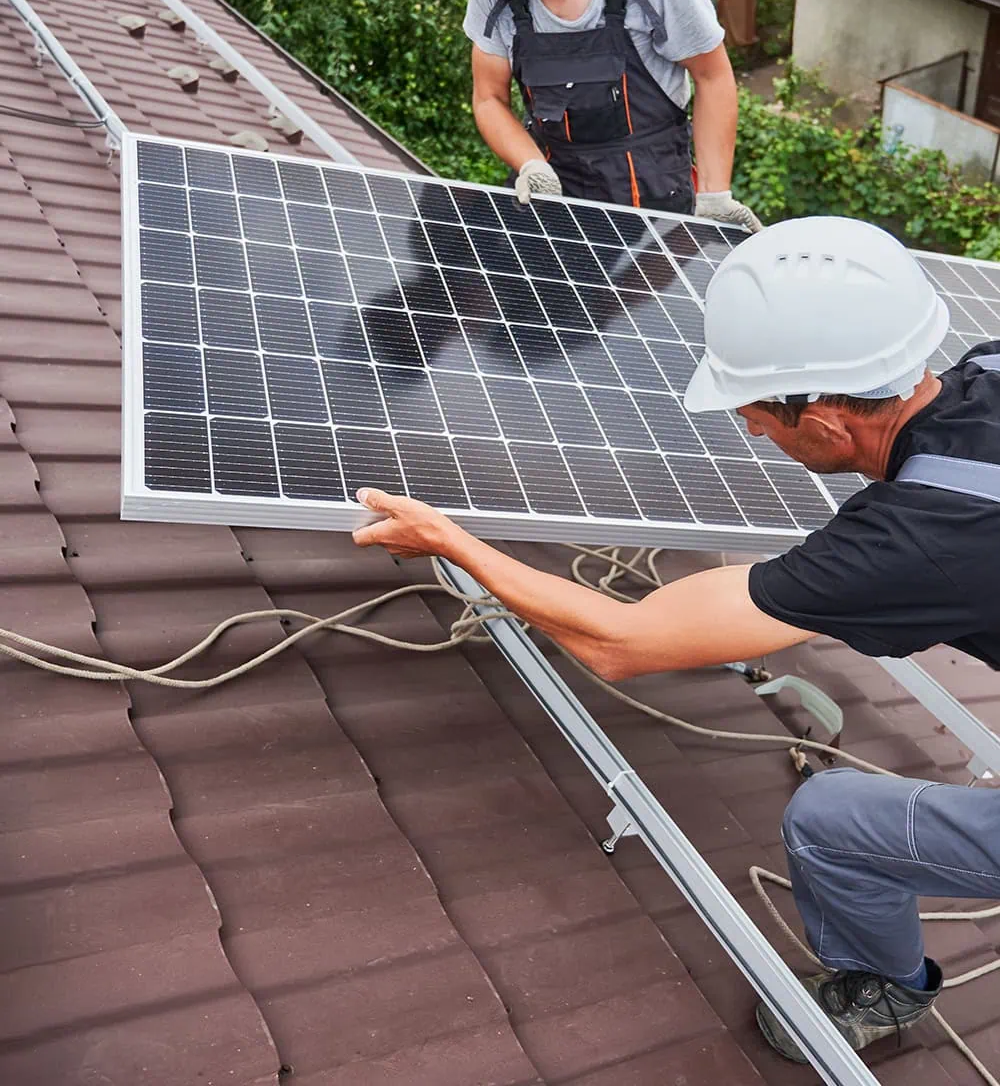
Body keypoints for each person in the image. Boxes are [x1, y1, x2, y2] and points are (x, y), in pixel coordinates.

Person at [352, 215, 1000, 1061]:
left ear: (833, 420)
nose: (749, 431)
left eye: (758, 413)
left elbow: (623, 642)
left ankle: (883, 988)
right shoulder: (986, 366)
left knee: (831, 821)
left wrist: (452, 543)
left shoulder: (915, 540)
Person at [432, 0, 761, 229]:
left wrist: (713, 196)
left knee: (643, 286)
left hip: (652, 194)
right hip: (556, 191)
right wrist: (531, 165)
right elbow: (488, 98)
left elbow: (713, 76)